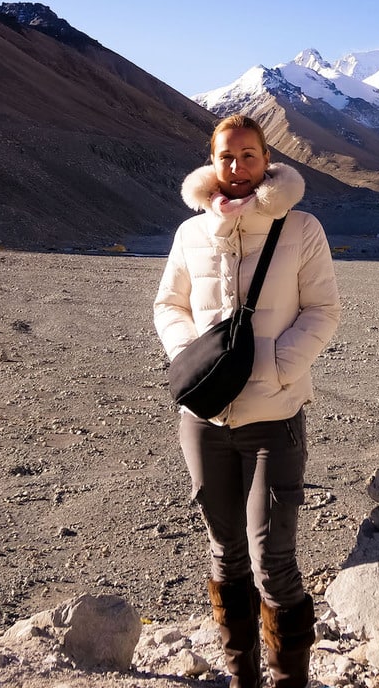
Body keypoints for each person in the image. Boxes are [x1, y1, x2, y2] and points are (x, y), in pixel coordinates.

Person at [154, 114, 340, 688]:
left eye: (248, 156)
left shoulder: (300, 227)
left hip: (274, 418)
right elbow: (170, 306)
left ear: (268, 161)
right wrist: (194, 361)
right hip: (203, 418)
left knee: (274, 562)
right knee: (224, 553)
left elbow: (322, 310)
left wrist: (277, 368)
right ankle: (242, 679)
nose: (236, 169)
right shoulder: (190, 234)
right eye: (226, 157)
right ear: (212, 162)